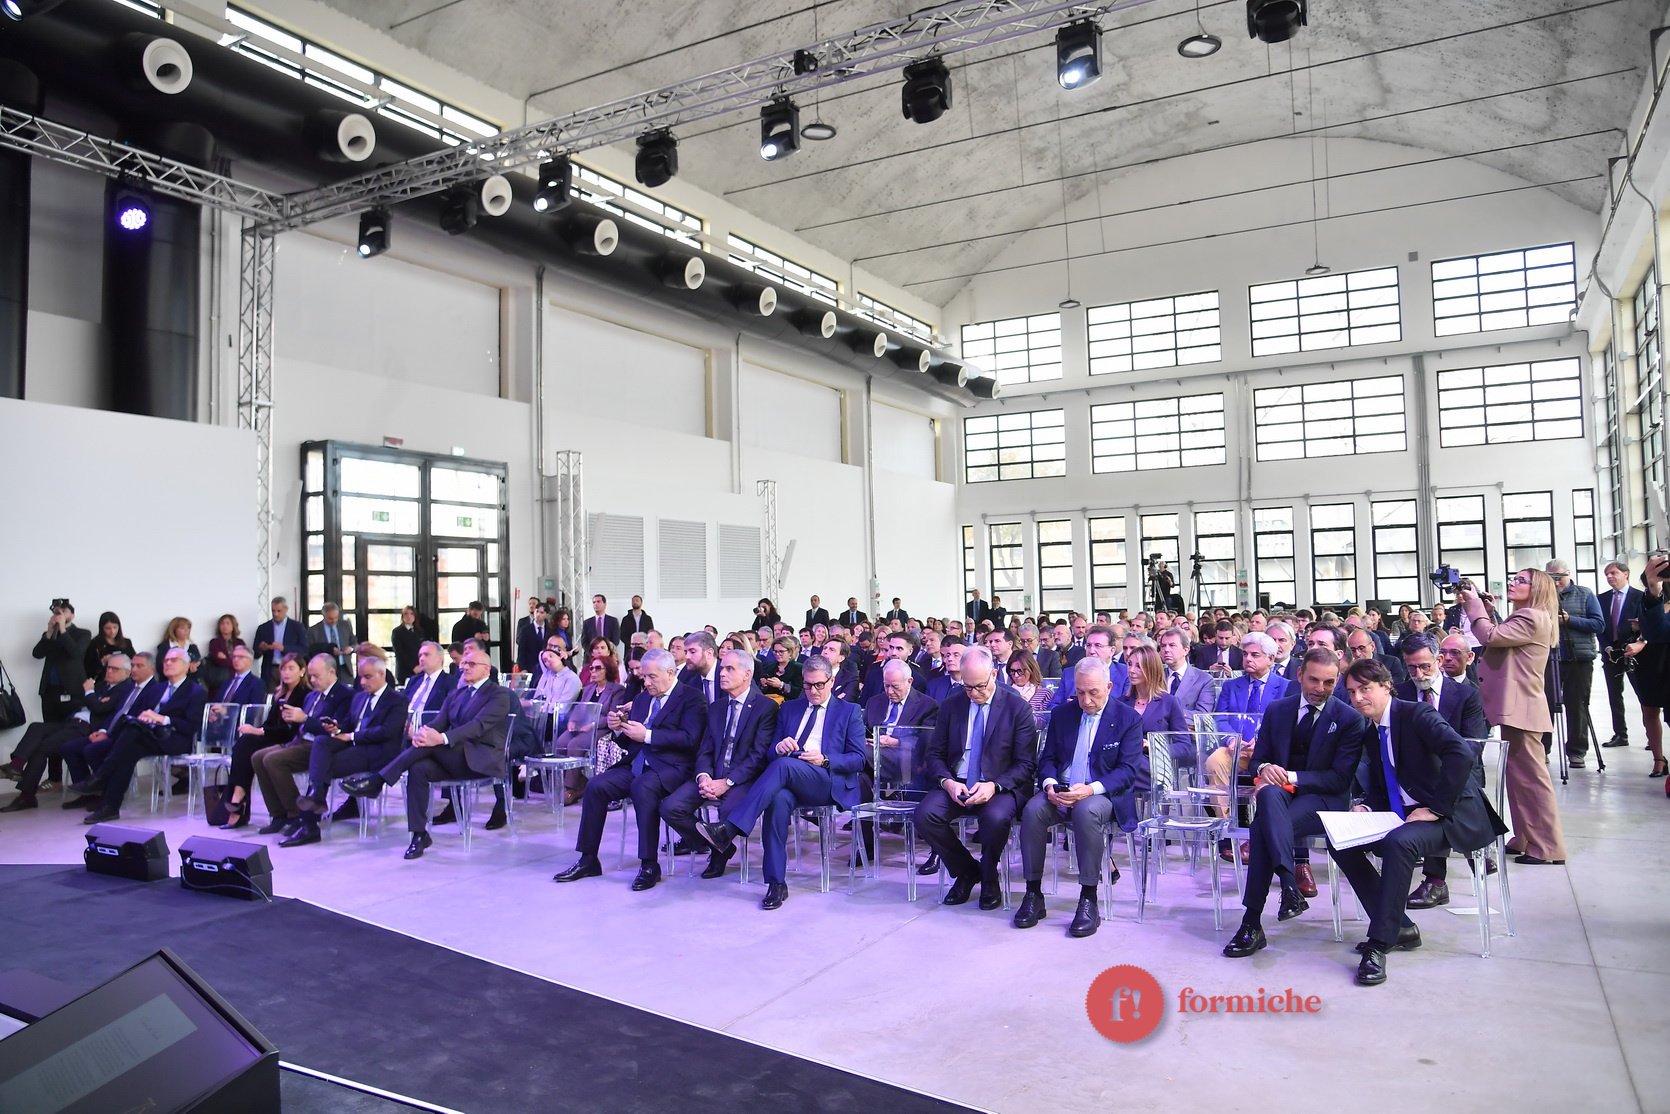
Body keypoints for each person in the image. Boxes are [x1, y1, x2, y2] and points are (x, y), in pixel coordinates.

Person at [1331, 659, 1507, 986]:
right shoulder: (1372, 732)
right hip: (1408, 813)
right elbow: (1384, 786)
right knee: (1339, 841)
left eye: (1365, 689)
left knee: (1400, 842)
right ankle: (1400, 927)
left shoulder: (1416, 714)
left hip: (1453, 813)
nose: (1357, 698)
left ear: (1386, 686)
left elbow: (1460, 753)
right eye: (1352, 692)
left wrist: (1437, 808)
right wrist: (1367, 807)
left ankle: (1379, 943)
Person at [1221, 647, 1369, 960]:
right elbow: (1257, 761)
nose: (1320, 688)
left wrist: (1288, 775)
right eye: (1314, 680)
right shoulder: (1278, 709)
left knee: (1263, 827)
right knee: (1268, 796)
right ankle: (1289, 886)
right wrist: (1265, 769)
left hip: (1324, 801)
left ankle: (1252, 923)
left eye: (1329, 682)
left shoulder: (1349, 719)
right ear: (1300, 675)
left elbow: (1340, 779)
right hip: (1282, 795)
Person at [697, 654, 867, 910]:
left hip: (826, 780)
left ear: (831, 682)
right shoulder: (789, 708)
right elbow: (769, 754)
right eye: (807, 685)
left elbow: (858, 759)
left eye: (819, 685)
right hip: (790, 779)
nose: (813, 691)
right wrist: (778, 747)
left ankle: (728, 829)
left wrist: (825, 759)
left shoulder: (848, 711)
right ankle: (776, 883)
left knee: (783, 766)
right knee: (777, 800)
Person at [1014, 657, 1146, 937]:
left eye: (1093, 692)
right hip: (1062, 789)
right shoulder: (1063, 714)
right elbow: (1048, 758)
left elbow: (1127, 771)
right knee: (1032, 810)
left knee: (1087, 811)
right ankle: (1033, 893)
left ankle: (1088, 898)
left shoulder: (1128, 719)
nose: (1085, 700)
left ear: (1108, 687)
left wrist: (1089, 789)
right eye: (1080, 692)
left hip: (1101, 792)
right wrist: (1050, 785)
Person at [551, 649, 705, 890]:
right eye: (644, 677)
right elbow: (632, 743)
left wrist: (649, 735)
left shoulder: (692, 697)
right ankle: (588, 859)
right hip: (637, 763)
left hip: (672, 767)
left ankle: (649, 864)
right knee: (596, 785)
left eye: (652, 677)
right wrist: (619, 730)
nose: (647, 682)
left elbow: (691, 739)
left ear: (670, 673)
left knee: (643, 787)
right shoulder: (643, 699)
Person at [341, 645, 511, 859]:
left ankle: (378, 780)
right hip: (454, 758)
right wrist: (423, 733)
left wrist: (440, 738)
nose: (465, 667)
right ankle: (419, 834)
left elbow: (477, 727)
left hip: (480, 760)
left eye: (471, 664)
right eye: (464, 664)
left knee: (431, 746)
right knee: (419, 768)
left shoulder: (499, 694)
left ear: (486, 669)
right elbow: (439, 722)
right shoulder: (457, 694)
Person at [914, 646, 1038, 912]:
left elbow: (1026, 764)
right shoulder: (952, 705)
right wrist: (947, 781)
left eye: (979, 686)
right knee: (925, 815)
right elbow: (935, 754)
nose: (973, 693)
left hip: (999, 785)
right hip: (957, 781)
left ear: (994, 674)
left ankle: (989, 875)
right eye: (967, 687)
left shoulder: (1017, 708)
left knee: (995, 818)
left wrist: (994, 785)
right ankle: (967, 870)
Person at [1457, 570, 1567, 864]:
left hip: (1523, 709)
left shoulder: (1532, 616)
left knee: (1531, 781)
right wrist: (1487, 611)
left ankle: (1547, 847)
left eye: (1520, 580)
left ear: (1537, 588)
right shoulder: (1528, 616)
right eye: (1513, 579)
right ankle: (1526, 837)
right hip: (1518, 708)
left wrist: (1475, 607)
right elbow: (1502, 636)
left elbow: (1490, 636)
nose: (1512, 583)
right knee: (1518, 779)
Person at [660, 650, 780, 880]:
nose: (722, 673)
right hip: (713, 774)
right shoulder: (716, 707)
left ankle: (718, 855)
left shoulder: (766, 707)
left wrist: (727, 782)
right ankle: (720, 846)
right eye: (722, 668)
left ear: (747, 674)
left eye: (729, 669)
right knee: (670, 807)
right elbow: (706, 748)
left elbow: (758, 756)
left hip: (744, 778)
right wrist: (704, 776)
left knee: (728, 810)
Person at [1396, 630, 1490, 909]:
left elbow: (1473, 746)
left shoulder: (1466, 694)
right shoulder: (1400, 693)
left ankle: (1435, 881)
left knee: (1436, 794)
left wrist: (1439, 764)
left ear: (1438, 660)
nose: (1419, 673)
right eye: (1411, 667)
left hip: (1457, 774)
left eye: (1425, 666)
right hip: (1410, 776)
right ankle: (1469, 848)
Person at [282, 657, 410, 846]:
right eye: (360, 677)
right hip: (353, 745)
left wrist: (351, 736)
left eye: (367, 677)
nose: (363, 682)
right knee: (322, 741)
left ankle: (309, 821)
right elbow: (348, 724)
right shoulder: (359, 697)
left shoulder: (397, 700)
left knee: (322, 766)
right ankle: (316, 798)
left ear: (381, 674)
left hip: (378, 752)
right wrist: (336, 728)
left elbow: (387, 732)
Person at [76, 647, 207, 825]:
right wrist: (144, 718)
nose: (168, 663)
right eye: (166, 660)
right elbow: (136, 715)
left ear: (186, 666)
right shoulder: (157, 689)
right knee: (129, 748)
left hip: (174, 739)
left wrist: (162, 719)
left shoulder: (195, 691)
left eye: (173, 660)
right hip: (147, 735)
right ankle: (110, 807)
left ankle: (101, 778)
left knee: (132, 734)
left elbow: (191, 726)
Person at [2, 653, 136, 813]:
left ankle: (27, 796)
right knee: (36, 727)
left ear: (127, 672)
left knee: (41, 748)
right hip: (72, 722)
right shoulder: (103, 685)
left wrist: (90, 694)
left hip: (86, 728)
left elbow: (99, 709)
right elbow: (80, 701)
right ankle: (16, 765)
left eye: (115, 669)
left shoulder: (125, 689)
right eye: (109, 668)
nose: (109, 671)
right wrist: (92, 699)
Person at [249, 654, 353, 835]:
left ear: (331, 672)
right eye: (310, 676)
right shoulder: (312, 695)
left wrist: (304, 719)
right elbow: (301, 725)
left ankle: (297, 814)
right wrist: (291, 719)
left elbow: (336, 730)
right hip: (300, 741)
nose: (312, 680)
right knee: (258, 757)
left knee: (273, 760)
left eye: (316, 676)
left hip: (321, 747)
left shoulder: (345, 695)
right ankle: (278, 814)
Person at [220, 653, 307, 830]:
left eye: (291, 668)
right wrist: (257, 730)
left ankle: (238, 798)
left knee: (249, 744)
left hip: (290, 739)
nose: (286, 673)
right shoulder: (281, 693)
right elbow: (270, 723)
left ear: (302, 671)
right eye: (283, 668)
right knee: (245, 743)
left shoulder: (305, 694)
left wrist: (259, 731)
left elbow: (291, 730)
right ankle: (240, 794)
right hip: (274, 735)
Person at [1543, 559, 1604, 766]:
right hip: (1549, 659)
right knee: (1545, 705)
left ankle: (1577, 751)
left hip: (1579, 659)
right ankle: (1542, 748)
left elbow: (1599, 624)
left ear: (1568, 573)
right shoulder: (1542, 596)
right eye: (1551, 577)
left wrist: (1570, 620)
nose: (1556, 582)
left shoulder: (1584, 594)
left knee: (1578, 706)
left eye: (1560, 577)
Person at [559, 656, 624, 803]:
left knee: (575, 745)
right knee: (561, 742)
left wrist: (593, 724)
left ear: (608, 670)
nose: (593, 671)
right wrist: (573, 721)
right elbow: (579, 709)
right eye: (592, 668)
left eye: (598, 668)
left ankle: (570, 789)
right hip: (583, 726)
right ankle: (578, 782)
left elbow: (613, 715)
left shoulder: (617, 690)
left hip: (602, 727)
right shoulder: (588, 689)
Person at [1597, 560, 1646, 753]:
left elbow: (1647, 624)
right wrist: (1607, 647)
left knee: (1643, 695)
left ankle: (1651, 735)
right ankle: (1620, 734)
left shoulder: (1640, 597)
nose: (1609, 577)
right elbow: (1600, 626)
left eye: (1613, 573)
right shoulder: (1602, 599)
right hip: (1612, 654)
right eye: (1607, 574)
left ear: (1626, 574)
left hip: (1635, 652)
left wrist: (1637, 642)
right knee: (1614, 695)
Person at [34, 600, 91, 725]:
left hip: (72, 690)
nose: (60, 614)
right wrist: (49, 633)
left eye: (64, 611)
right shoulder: (50, 634)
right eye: (56, 612)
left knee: (70, 728)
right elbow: (37, 654)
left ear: (73, 615)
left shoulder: (83, 633)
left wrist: (62, 630)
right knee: (48, 727)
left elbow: (74, 652)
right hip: (49, 691)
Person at [1118, 645, 1188, 744]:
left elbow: (1184, 745)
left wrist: (1153, 747)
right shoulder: (1120, 703)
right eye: (1129, 664)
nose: (1131, 670)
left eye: (1138, 666)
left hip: (1155, 753)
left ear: (1152, 669)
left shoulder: (1169, 702)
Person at [1050, 625, 1131, 708]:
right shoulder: (1069, 673)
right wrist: (1070, 708)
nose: (1091, 651)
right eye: (1088, 645)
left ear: (1112, 651)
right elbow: (1053, 706)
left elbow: (1126, 709)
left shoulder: (1125, 673)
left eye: (1098, 645)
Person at [1156, 629, 1216, 719]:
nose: (1166, 650)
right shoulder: (1155, 677)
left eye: (1172, 645)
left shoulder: (1204, 680)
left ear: (1186, 650)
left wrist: (1170, 713)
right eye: (1163, 646)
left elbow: (1203, 716)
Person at [253, 596, 307, 689]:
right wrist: (261, 648)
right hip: (270, 670)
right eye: (273, 611)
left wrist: (284, 648)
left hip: (291, 669)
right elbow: (255, 653)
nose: (276, 614)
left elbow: (304, 650)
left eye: (279, 611)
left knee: (291, 694)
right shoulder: (263, 628)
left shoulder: (297, 627)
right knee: (271, 696)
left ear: (286, 609)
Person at [308, 604, 357, 683]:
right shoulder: (314, 631)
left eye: (336, 617)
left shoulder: (345, 625)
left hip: (345, 669)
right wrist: (329, 650)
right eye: (330, 618)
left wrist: (350, 649)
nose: (334, 621)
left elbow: (355, 643)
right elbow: (310, 651)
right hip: (325, 670)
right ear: (324, 615)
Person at [203, 614, 246, 697]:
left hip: (237, 679)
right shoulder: (215, 642)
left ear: (233, 625)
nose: (225, 626)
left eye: (228, 623)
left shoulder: (240, 642)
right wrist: (235, 660)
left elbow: (243, 661)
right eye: (222, 623)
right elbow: (219, 661)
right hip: (220, 681)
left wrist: (226, 658)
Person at [82, 611, 135, 681]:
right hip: (103, 681)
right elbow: (88, 669)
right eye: (108, 628)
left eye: (115, 627)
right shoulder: (94, 644)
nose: (112, 631)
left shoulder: (126, 642)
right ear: (102, 628)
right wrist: (102, 662)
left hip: (125, 680)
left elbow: (134, 661)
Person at [534, 636, 581, 706]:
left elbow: (563, 707)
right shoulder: (548, 674)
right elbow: (541, 654)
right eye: (545, 660)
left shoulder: (571, 678)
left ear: (561, 654)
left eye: (551, 656)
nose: (549, 660)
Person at [758, 636, 802, 703]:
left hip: (789, 703)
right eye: (775, 651)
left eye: (781, 651)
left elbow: (799, 692)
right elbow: (765, 692)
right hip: (771, 703)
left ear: (790, 652)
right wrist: (764, 685)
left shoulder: (799, 668)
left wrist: (781, 685)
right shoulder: (770, 667)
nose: (777, 654)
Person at [516, 601, 551, 679]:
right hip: (530, 668)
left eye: (541, 612)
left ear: (546, 614)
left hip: (547, 668)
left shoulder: (550, 630)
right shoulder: (526, 630)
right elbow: (521, 651)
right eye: (537, 611)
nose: (538, 614)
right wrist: (523, 668)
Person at [391, 606, 425, 683]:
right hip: (404, 671)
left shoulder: (420, 631)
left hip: (420, 670)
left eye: (412, 614)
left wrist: (421, 666)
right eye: (406, 614)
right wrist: (413, 667)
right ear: (402, 616)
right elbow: (399, 652)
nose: (409, 616)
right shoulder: (397, 632)